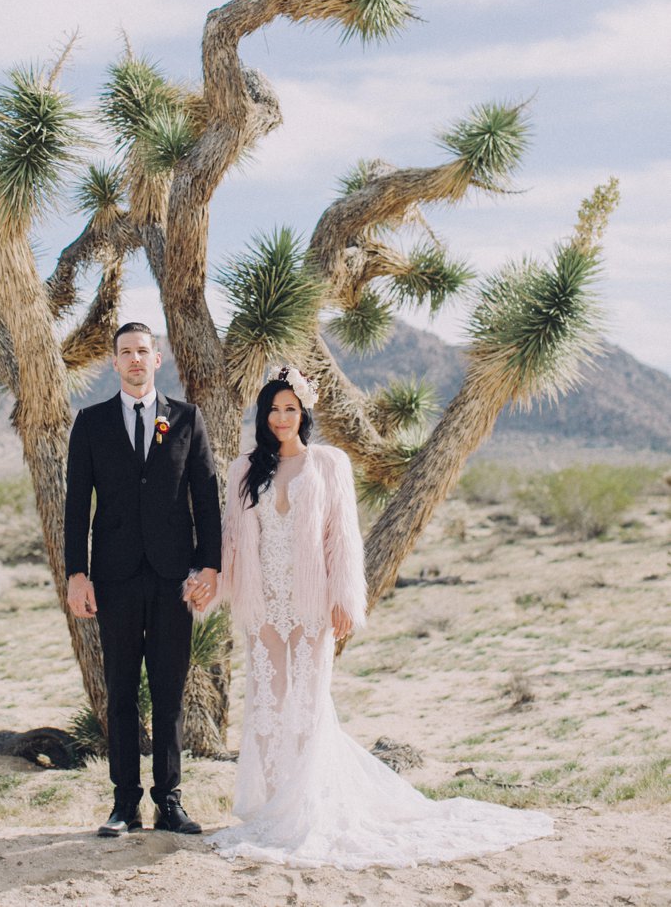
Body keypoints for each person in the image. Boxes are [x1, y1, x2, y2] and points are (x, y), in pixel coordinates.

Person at [207, 366, 553, 870]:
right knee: (266, 703)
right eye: (273, 409)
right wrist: (212, 584)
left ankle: (306, 807)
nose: (281, 417)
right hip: (264, 605)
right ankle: (272, 804)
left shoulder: (329, 463)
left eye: (291, 408)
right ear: (262, 416)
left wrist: (347, 599)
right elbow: (232, 539)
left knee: (307, 701)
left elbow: (343, 537)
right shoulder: (245, 469)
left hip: (310, 602)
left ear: (304, 413)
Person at [64, 323, 222, 837]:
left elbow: (206, 498)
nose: (135, 360)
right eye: (125, 352)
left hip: (173, 577)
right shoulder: (90, 424)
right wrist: (76, 573)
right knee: (122, 690)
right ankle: (124, 803)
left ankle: (169, 801)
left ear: (158, 360)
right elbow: (74, 506)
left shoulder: (187, 419)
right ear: (114, 362)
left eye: (142, 352)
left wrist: (209, 566)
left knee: (171, 690)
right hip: (115, 577)